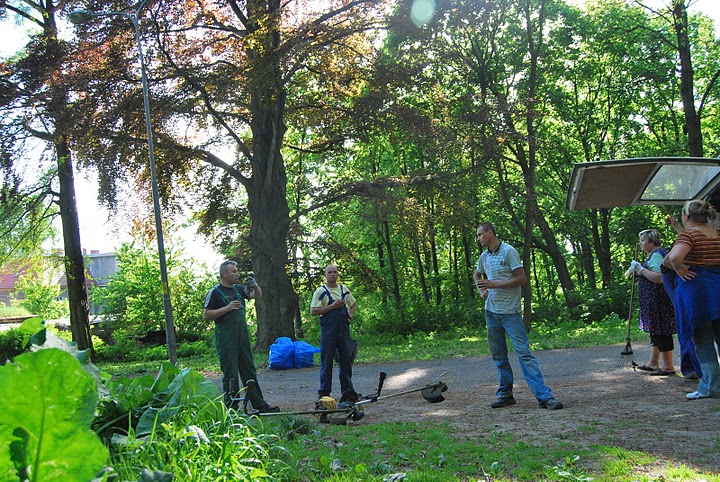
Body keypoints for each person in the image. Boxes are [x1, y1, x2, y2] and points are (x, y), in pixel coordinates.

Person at [474, 222, 563, 410]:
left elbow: (523, 279)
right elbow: (477, 275)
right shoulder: (484, 256)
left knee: (524, 354)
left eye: (481, 234)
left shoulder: (508, 252)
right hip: (491, 312)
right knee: (499, 356)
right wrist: (481, 289)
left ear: (491, 233)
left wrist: (493, 284)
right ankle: (505, 395)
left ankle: (544, 397)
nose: (479, 238)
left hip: (510, 314)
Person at [662, 200, 720, 400]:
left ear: (687, 217)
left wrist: (680, 268)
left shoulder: (689, 235)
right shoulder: (717, 233)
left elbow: (674, 257)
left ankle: (711, 386)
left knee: (703, 340)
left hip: (699, 292)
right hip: (718, 286)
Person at [203, 260, 279, 412]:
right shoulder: (215, 292)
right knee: (230, 371)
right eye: (233, 271)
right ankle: (231, 407)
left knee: (249, 369)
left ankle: (259, 404)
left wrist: (255, 285)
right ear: (224, 274)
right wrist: (227, 308)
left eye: (236, 271)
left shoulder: (238, 289)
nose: (237, 273)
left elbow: (257, 296)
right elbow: (206, 315)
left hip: (242, 335)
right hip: (226, 337)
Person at [626, 229, 677, 375]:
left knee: (662, 331)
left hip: (658, 302)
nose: (640, 243)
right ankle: (653, 363)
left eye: (642, 240)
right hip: (653, 301)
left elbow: (660, 277)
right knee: (656, 331)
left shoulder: (656, 255)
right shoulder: (654, 255)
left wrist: (641, 270)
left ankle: (668, 366)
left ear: (651, 242)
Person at [663, 214, 702, 379]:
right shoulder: (701, 233)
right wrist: (676, 225)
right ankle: (691, 367)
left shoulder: (693, 235)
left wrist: (679, 268)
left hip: (687, 281)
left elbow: (669, 260)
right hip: (694, 281)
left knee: (689, 328)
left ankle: (698, 371)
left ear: (688, 217)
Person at [310, 264, 357, 401]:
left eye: (335, 272)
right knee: (326, 362)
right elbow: (313, 311)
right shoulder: (321, 292)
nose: (332, 274)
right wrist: (332, 307)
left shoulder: (343, 289)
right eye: (329, 272)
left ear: (337, 274)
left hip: (343, 331)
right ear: (325, 275)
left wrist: (350, 315)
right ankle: (324, 394)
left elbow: (353, 304)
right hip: (328, 332)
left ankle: (348, 392)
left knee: (345, 361)